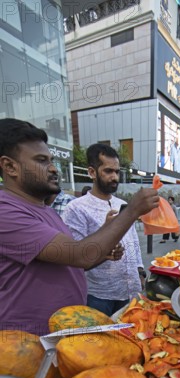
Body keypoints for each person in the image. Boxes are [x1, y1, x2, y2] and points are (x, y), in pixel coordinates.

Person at [0, 118, 159, 335]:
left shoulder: (44, 210)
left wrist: (104, 254)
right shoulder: (5, 211)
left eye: (51, 160)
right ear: (10, 167)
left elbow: (72, 263)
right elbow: (78, 255)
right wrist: (132, 211)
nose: (53, 169)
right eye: (41, 161)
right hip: (29, 341)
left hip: (63, 331)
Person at [63, 144, 148, 316]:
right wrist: (105, 230)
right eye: (108, 171)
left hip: (128, 290)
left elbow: (133, 239)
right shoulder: (76, 208)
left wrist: (140, 270)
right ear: (92, 172)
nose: (114, 177)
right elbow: (75, 256)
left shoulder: (122, 205)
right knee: (99, 342)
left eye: (117, 171)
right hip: (97, 296)